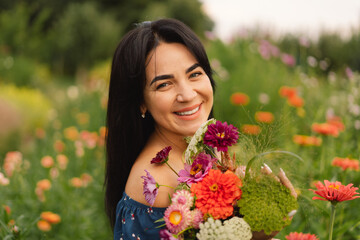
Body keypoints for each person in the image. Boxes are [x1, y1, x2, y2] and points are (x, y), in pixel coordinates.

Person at [104, 18, 216, 240]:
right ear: (140, 101)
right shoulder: (153, 186)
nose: (188, 95)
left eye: (194, 74)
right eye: (164, 84)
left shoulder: (201, 146)